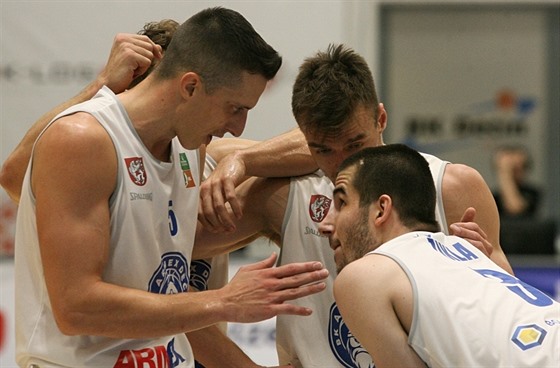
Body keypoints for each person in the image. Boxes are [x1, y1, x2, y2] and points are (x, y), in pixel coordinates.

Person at [10, 7, 329, 367]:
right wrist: (224, 301)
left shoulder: (192, 148)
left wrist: (244, 162)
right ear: (190, 86)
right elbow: (76, 307)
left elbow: (327, 145)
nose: (238, 127)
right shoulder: (83, 140)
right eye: (235, 108)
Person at [195, 44, 510, 368]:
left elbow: (510, 313)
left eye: (355, 144)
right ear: (304, 139)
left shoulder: (453, 187)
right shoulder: (286, 194)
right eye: (323, 150)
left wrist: (485, 273)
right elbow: (161, 267)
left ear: (381, 118)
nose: (343, 162)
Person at [325, 144, 559, 368]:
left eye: (341, 203)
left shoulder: (361, 275)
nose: (327, 222)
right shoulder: (462, 247)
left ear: (381, 209)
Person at [492, 144, 541, 219]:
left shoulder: (533, 193)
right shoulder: (492, 196)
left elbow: (514, 209)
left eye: (517, 168)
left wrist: (505, 173)